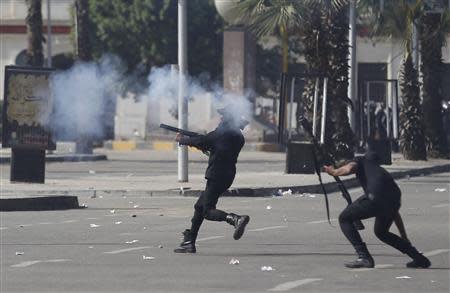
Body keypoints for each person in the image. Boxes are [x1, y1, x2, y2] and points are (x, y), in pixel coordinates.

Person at [323, 151, 431, 269]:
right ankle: (419, 258)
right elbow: (395, 213)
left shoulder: (361, 160)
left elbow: (349, 168)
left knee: (344, 218)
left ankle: (364, 257)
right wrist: (404, 237)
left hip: (375, 198)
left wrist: (334, 172)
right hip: (394, 200)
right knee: (381, 232)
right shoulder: (380, 172)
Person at [173, 105, 251, 253]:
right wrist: (204, 146)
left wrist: (182, 139)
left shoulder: (222, 134)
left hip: (217, 174)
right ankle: (189, 241)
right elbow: (213, 146)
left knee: (207, 211)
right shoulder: (238, 137)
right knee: (199, 207)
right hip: (227, 175)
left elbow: (202, 140)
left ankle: (235, 219)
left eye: (223, 116)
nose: (220, 119)